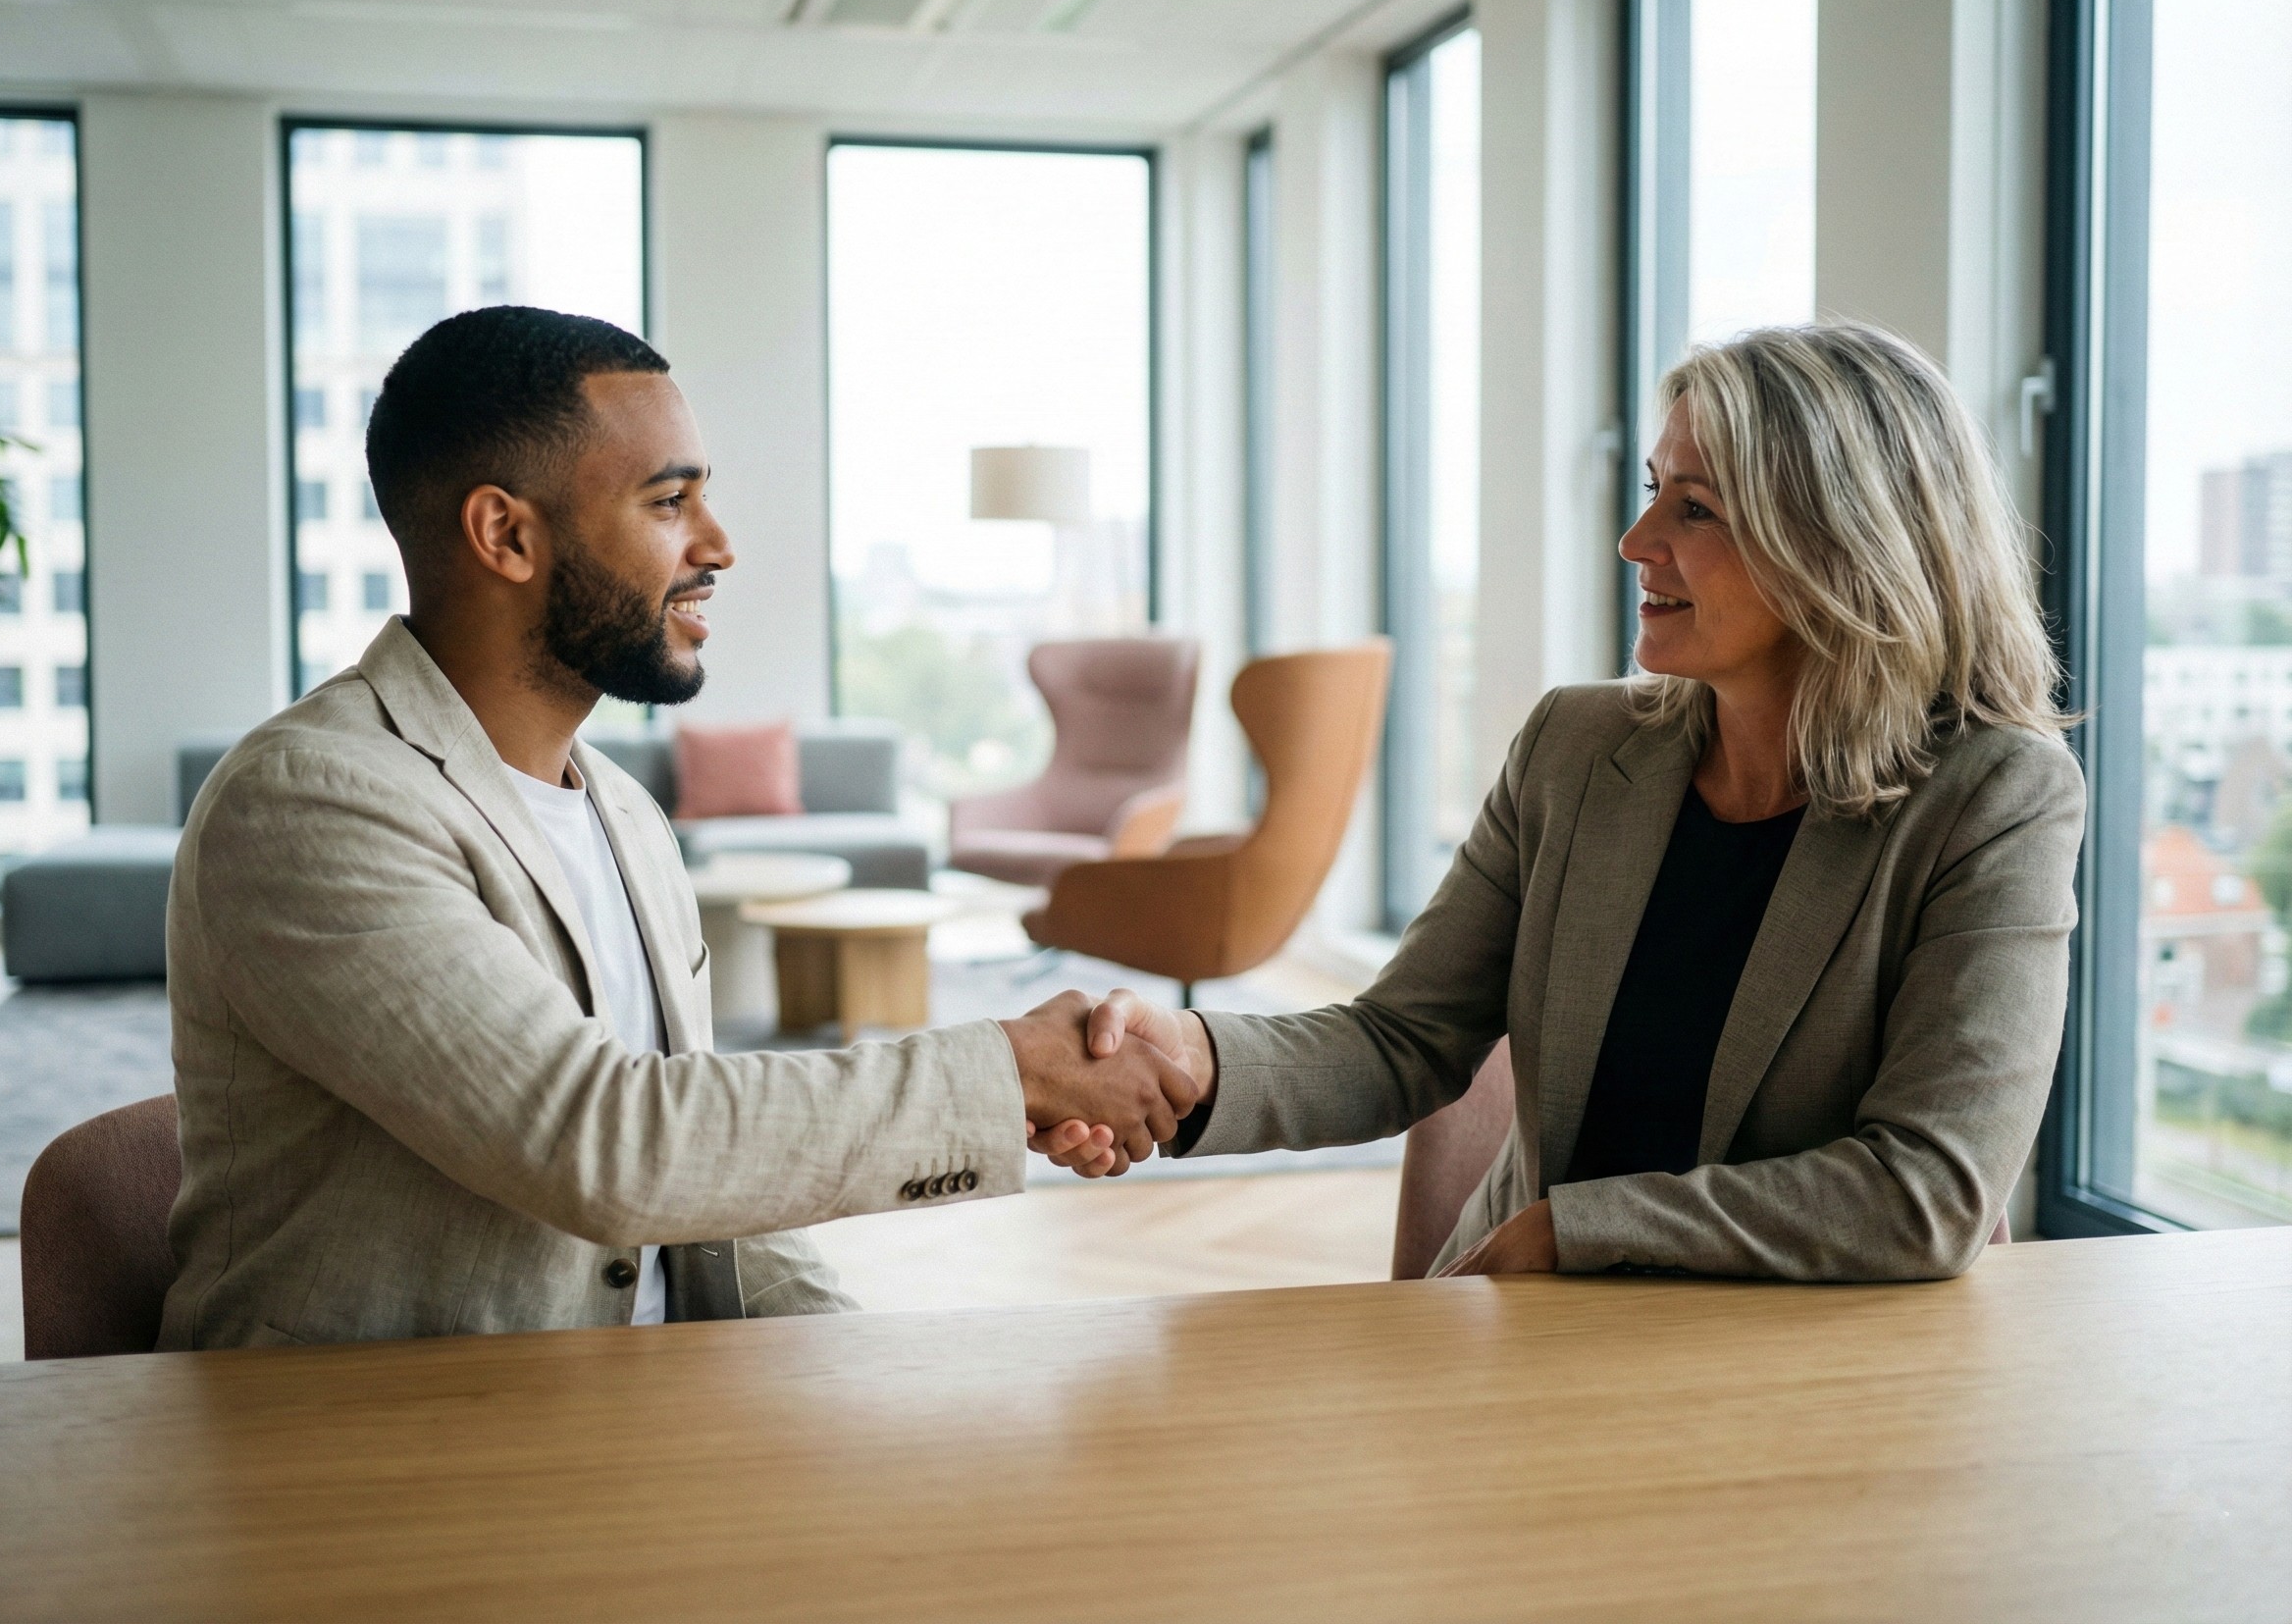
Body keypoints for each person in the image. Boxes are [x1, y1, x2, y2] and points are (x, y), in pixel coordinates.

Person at [158, 306, 1193, 1350]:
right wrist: (1011, 1071)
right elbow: (610, 1145)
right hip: (382, 1435)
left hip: (647, 1399)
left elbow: (710, 1182)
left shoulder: (625, 813)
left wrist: (852, 1366)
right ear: (506, 535)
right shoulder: (312, 800)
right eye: (669, 500)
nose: (719, 545)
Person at [1045, 321, 2084, 1283]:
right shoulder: (1575, 746)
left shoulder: (1996, 795)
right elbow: (1401, 1039)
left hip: (1812, 1364)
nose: (1635, 540)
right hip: (1526, 1327)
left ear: (1840, 546)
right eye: (1652, 490)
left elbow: (1926, 1189)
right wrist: (1189, 1057)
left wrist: (1579, 1227)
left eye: (1694, 509)